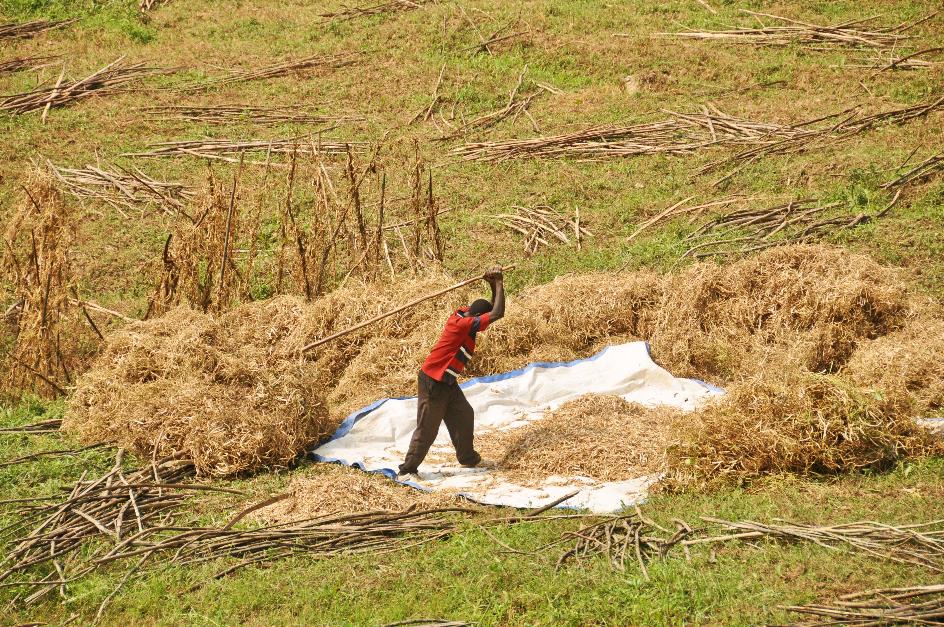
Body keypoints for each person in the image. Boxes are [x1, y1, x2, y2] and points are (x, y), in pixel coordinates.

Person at [398, 266, 506, 476]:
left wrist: (492, 284)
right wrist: (500, 282)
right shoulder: (462, 325)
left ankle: (467, 458)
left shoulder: (463, 313)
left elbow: (492, 309)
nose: (484, 327)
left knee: (464, 414)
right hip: (433, 382)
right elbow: (497, 313)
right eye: (481, 323)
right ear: (474, 319)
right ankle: (407, 469)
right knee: (427, 429)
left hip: (447, 381)